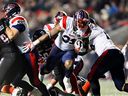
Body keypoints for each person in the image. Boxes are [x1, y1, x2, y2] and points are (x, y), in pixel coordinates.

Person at [71, 9, 128, 96]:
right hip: (117, 55)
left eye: (82, 22)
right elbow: (86, 49)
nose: (80, 25)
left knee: (91, 76)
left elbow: (83, 47)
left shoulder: (91, 31)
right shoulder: (95, 32)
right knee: (121, 86)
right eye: (78, 22)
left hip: (110, 53)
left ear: (87, 22)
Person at [32, 10, 88, 95]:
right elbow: (48, 35)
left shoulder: (84, 30)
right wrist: (35, 43)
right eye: (57, 20)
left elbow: (83, 49)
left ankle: (78, 87)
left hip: (71, 55)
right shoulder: (54, 27)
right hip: (58, 51)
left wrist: (80, 47)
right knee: (50, 70)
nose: (59, 22)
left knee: (66, 70)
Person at [2, 2, 50, 96]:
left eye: (6, 11)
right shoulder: (10, 21)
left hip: (28, 53)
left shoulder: (18, 19)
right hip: (19, 56)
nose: (5, 13)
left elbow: (11, 35)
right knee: (14, 81)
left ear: (11, 10)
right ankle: (34, 92)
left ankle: (45, 94)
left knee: (35, 81)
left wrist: (3, 24)